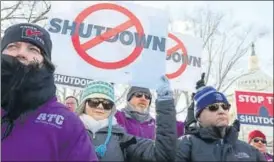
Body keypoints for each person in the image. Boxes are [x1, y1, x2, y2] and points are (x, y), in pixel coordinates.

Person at [1, 23, 98, 161]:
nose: (21, 53)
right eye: (12, 47)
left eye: (33, 49)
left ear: (45, 63)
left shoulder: (67, 122)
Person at [76, 78, 177, 161]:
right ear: (83, 104)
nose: (100, 107)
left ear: (111, 108)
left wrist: (165, 102)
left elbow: (162, 155)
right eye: (94, 101)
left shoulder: (122, 138)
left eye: (107, 104)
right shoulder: (68, 131)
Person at [176, 86, 266, 161]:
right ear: (198, 116)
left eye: (225, 106)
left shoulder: (251, 151)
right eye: (213, 107)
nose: (221, 111)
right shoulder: (186, 144)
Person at [115, 86, 184, 139]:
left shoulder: (155, 124)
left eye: (147, 97)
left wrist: (194, 104)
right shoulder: (118, 117)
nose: (143, 98)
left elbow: (183, 127)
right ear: (129, 99)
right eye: (138, 94)